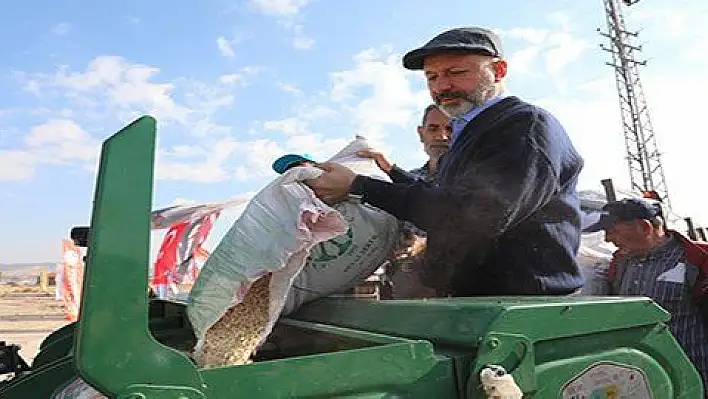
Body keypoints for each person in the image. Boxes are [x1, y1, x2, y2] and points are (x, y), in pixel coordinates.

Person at [305, 26, 585, 297]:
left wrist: (359, 186)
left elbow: (473, 215)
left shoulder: (523, 127)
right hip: (474, 299)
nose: (442, 86)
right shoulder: (471, 131)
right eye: (432, 77)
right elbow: (444, 199)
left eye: (456, 73)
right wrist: (391, 172)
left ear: (498, 71)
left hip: (522, 304)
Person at [585, 197, 708, 391]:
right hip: (646, 380)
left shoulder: (697, 260)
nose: (608, 239)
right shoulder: (620, 264)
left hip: (695, 380)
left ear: (644, 227)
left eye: (613, 230)